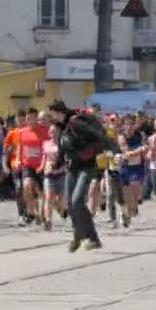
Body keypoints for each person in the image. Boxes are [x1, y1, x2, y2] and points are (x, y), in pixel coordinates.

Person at [48, 100, 104, 252]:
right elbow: (63, 148)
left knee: (77, 200)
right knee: (71, 206)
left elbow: (97, 138)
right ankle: (79, 234)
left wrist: (85, 150)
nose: (50, 117)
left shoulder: (76, 123)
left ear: (58, 112)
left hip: (87, 166)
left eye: (51, 113)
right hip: (72, 169)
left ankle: (92, 238)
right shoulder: (62, 127)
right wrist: (57, 163)